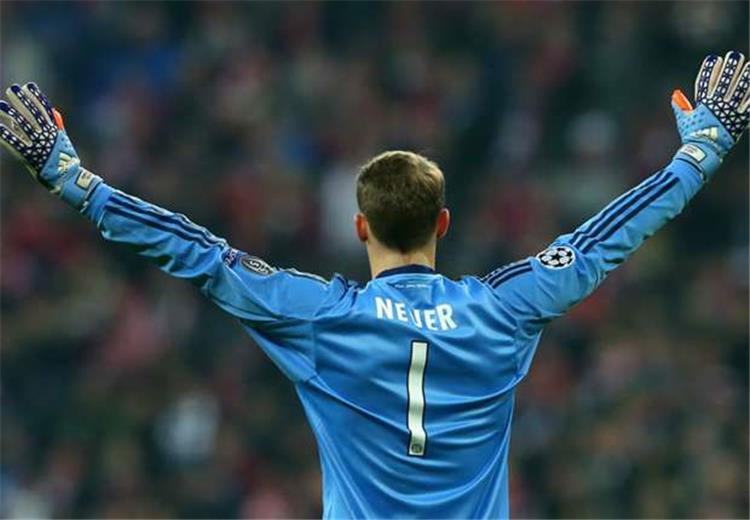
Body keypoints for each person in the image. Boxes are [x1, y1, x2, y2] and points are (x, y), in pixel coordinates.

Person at [1, 51, 747, 519]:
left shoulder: (321, 317)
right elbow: (602, 241)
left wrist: (75, 180)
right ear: (444, 223)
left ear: (360, 227)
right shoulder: (503, 310)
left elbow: (198, 253)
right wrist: (700, 154)